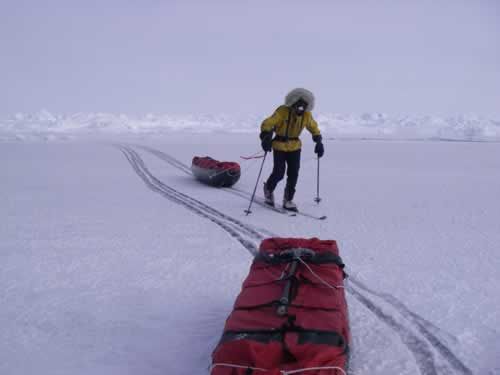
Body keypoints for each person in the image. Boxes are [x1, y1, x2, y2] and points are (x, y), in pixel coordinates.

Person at [259, 88, 324, 212]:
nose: (300, 110)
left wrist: (318, 141)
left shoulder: (307, 115)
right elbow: (268, 123)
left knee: (293, 173)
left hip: (295, 147)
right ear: (293, 103)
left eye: (303, 107)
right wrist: (265, 137)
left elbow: (313, 127)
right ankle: (268, 188)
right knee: (279, 172)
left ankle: (288, 200)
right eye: (298, 107)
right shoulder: (282, 111)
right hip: (279, 145)